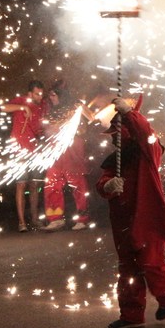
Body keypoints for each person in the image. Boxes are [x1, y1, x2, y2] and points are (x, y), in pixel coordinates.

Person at [96, 97, 165, 328]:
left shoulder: (148, 153)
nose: (113, 137)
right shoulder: (115, 160)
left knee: (151, 263)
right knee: (127, 270)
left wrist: (131, 113)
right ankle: (131, 315)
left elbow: (145, 134)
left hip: (148, 220)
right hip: (123, 221)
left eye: (117, 131)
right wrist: (107, 186)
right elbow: (102, 181)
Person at [42, 86, 95, 231]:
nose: (51, 98)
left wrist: (81, 106)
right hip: (55, 152)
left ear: (61, 95)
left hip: (72, 151)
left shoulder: (74, 107)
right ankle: (55, 218)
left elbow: (91, 118)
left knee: (77, 184)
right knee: (51, 184)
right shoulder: (51, 111)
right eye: (50, 95)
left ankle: (83, 219)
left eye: (53, 95)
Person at [0, 80, 47, 232]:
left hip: (35, 151)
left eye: (41, 94)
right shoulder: (21, 100)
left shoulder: (42, 107)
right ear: (29, 93)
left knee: (34, 185)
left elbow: (40, 129)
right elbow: (3, 107)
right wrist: (23, 107)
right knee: (21, 185)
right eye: (37, 94)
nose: (40, 97)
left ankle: (34, 220)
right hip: (18, 150)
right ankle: (21, 223)